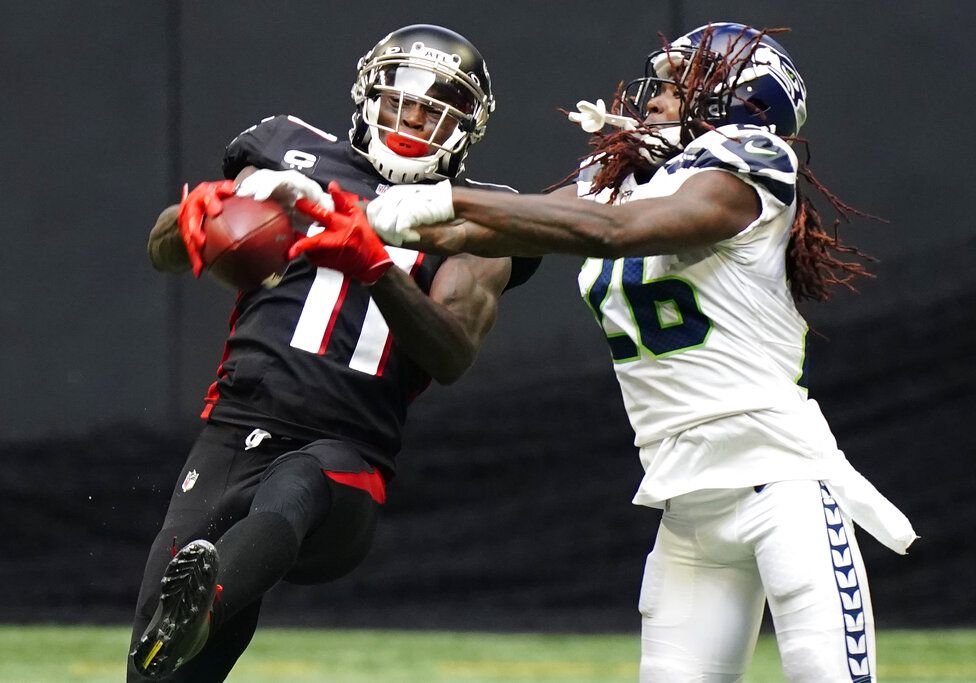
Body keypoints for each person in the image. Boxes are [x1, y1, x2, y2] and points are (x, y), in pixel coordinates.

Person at [354, 22, 917, 682]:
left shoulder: (751, 163)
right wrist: (344, 214)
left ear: (740, 104)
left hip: (783, 488)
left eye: (682, 85)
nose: (654, 96)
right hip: (688, 506)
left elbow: (612, 232)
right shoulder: (625, 178)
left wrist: (439, 198)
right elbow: (498, 223)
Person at [128, 24, 537, 681]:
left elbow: (452, 353)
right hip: (232, 432)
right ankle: (193, 614)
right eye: (401, 101)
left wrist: (378, 268)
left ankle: (207, 603)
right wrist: (191, 217)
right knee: (158, 670)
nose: (413, 121)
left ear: (468, 128)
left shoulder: (477, 213)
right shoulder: (286, 150)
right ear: (366, 97)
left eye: (436, 111)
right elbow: (163, 251)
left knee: (299, 480)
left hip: (348, 455)